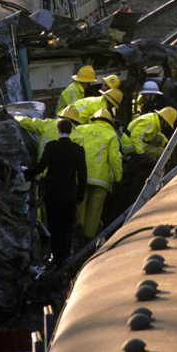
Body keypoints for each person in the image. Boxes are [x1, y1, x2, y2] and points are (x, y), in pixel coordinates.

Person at [24, 118, 87, 267]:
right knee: (67, 226)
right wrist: (80, 195)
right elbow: (83, 175)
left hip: (53, 194)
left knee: (54, 226)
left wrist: (26, 173)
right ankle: (66, 256)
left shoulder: (51, 147)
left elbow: (41, 167)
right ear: (70, 131)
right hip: (70, 194)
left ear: (58, 130)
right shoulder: (78, 150)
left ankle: (56, 257)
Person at [76, 109, 122, 240]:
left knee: (80, 206)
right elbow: (114, 158)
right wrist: (118, 178)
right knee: (94, 211)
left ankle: (77, 233)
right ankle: (88, 239)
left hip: (81, 176)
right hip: (100, 180)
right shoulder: (111, 134)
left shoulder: (81, 129)